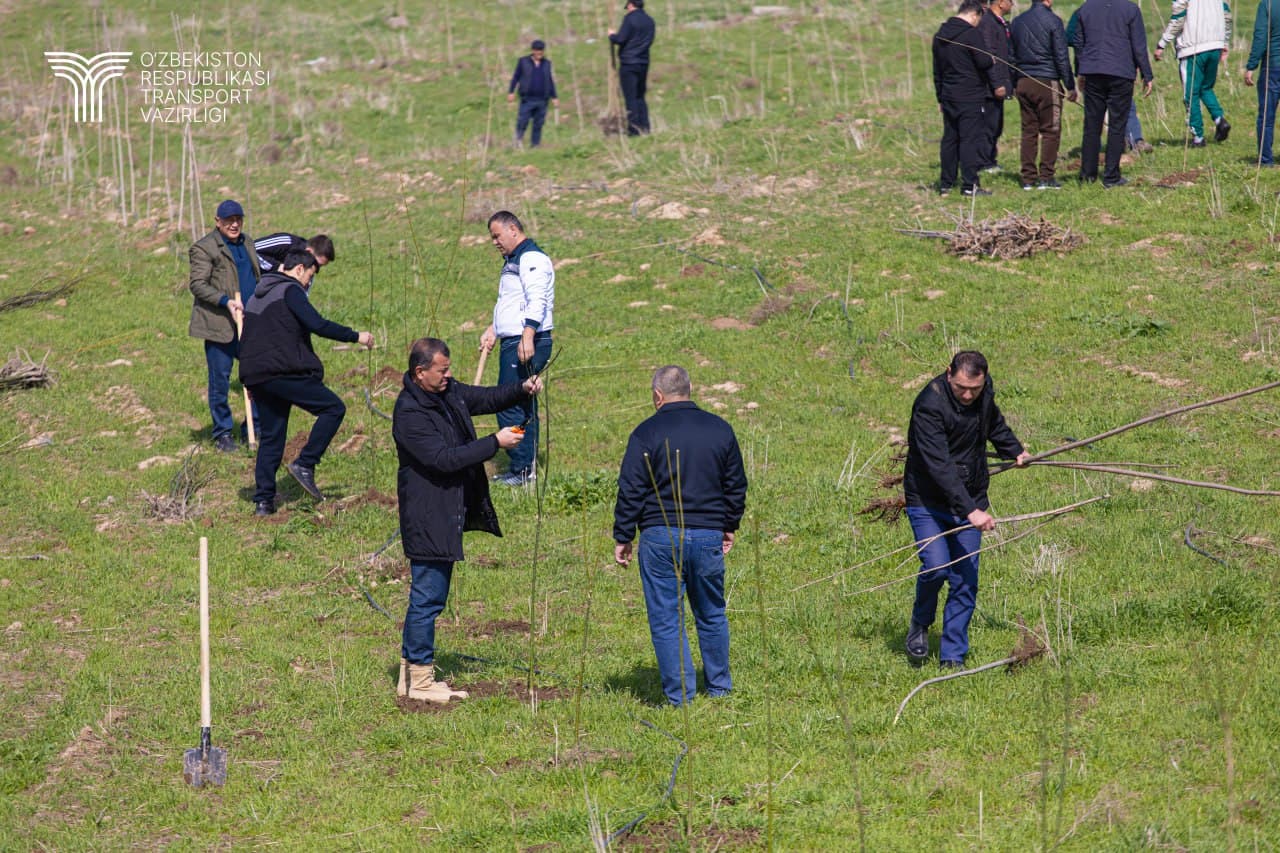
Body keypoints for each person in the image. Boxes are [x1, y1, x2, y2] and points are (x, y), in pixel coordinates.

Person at [392, 337, 542, 703]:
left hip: (445, 511)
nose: (448, 375)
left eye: (449, 369)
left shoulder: (447, 392)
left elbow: (484, 398)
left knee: (430, 596)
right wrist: (495, 443)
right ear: (420, 372)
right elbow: (444, 459)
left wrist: (521, 388)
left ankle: (410, 676)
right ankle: (420, 681)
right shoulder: (410, 413)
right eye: (442, 370)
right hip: (427, 514)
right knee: (428, 597)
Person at [613, 366, 748, 706]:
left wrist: (624, 535)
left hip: (659, 536)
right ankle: (720, 689)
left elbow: (631, 488)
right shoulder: (720, 429)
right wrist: (728, 524)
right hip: (707, 535)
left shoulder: (646, 432)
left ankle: (681, 697)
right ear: (690, 388)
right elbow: (735, 485)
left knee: (667, 619)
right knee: (712, 613)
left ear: (658, 395)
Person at [903, 351, 1032, 669]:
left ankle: (952, 657)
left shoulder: (983, 393)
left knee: (964, 579)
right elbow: (940, 466)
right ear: (948, 373)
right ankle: (920, 623)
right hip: (928, 500)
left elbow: (993, 423)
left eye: (975, 389)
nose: (967, 395)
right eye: (961, 387)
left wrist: (1015, 450)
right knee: (936, 567)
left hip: (971, 494)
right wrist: (971, 511)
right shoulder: (929, 406)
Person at [238, 251, 374, 515]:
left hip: (259, 375)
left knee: (272, 437)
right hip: (283, 371)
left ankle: (263, 502)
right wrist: (357, 336)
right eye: (310, 276)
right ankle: (305, 463)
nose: (309, 283)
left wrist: (250, 380)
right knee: (333, 408)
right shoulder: (290, 290)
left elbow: (246, 339)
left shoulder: (256, 296)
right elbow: (317, 324)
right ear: (299, 269)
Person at [479, 211, 554, 486]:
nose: (494, 242)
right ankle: (526, 467)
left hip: (526, 341)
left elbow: (538, 299)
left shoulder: (531, 258)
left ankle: (522, 469)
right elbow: (511, 302)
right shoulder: (513, 259)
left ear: (513, 229)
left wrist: (528, 335)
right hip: (514, 338)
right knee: (521, 401)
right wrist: (494, 328)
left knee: (508, 403)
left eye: (497, 236)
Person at [188, 199, 261, 453]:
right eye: (229, 220)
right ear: (218, 222)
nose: (234, 224)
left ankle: (254, 426)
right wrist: (225, 301)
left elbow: (256, 276)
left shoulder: (247, 242)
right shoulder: (204, 248)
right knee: (220, 381)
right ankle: (222, 433)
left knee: (256, 375)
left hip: (249, 323)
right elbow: (197, 284)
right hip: (219, 326)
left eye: (238, 219)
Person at [1073, 0, 1154, 187]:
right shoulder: (1130, 9)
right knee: (1117, 125)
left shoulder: (1086, 8)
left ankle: (1087, 175)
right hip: (1120, 72)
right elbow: (1138, 45)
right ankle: (1111, 176)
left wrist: (1081, 70)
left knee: (1092, 125)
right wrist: (1146, 74)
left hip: (1093, 71)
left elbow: (1078, 42)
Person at [934, 0, 1007, 196]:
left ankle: (946, 183)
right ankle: (969, 185)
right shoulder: (971, 34)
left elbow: (937, 71)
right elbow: (983, 62)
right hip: (970, 96)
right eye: (978, 19)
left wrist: (940, 97)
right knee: (969, 140)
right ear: (974, 15)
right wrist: (991, 59)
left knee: (950, 139)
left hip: (948, 94)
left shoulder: (940, 35)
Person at [1011, 0, 1077, 189]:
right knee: (1051, 130)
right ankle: (1046, 177)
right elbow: (1061, 56)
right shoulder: (1054, 21)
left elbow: (1010, 55)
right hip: (1047, 82)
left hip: (1023, 81)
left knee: (1028, 131)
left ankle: (1028, 178)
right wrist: (1070, 85)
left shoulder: (1017, 21)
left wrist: (1013, 82)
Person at [1155, 0, 1233, 147]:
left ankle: (1198, 137)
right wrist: (1225, 42)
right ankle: (1220, 120)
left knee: (1190, 94)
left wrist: (1162, 43)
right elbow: (1226, 14)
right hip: (1215, 44)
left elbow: (1179, 16)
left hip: (1193, 47)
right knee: (1205, 88)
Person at [978, 0, 1016, 171]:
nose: (1012, 4)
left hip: (999, 82)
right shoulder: (987, 23)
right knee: (989, 125)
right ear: (1000, 3)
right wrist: (997, 83)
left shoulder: (1000, 23)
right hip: (989, 86)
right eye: (1010, 1)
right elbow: (989, 56)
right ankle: (984, 162)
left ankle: (990, 159)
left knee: (996, 125)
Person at [608, 0, 656, 136]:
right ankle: (645, 127)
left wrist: (611, 35)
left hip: (629, 63)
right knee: (640, 96)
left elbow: (621, 39)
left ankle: (634, 130)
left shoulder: (629, 19)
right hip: (644, 62)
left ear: (630, 5)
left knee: (630, 97)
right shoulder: (650, 21)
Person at [1244, 0, 1280, 165]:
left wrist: (1251, 65)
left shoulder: (1267, 4)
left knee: (1266, 115)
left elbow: (1261, 36)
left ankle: (1265, 159)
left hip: (1272, 66)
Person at [508, 39, 559, 149]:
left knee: (538, 124)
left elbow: (550, 80)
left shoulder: (547, 64)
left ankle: (535, 145)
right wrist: (511, 91)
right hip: (527, 99)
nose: (539, 53)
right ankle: (517, 143)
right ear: (533, 51)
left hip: (542, 100)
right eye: (537, 51)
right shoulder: (523, 62)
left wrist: (554, 97)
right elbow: (516, 77)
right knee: (522, 121)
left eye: (541, 51)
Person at [254, 232, 335, 274]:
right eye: (317, 264)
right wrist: (277, 267)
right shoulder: (285, 241)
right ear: (309, 251)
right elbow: (250, 249)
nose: (316, 269)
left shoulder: (308, 271)